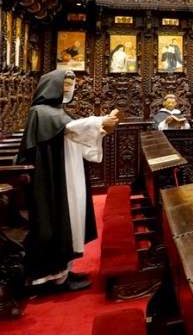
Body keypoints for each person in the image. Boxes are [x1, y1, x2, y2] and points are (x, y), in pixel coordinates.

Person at [16, 70, 119, 291]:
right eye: (66, 84)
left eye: (72, 85)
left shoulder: (59, 112)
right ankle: (50, 278)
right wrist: (100, 120)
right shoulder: (40, 112)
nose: (69, 89)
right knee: (56, 221)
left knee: (70, 218)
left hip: (68, 172)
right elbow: (71, 128)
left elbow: (74, 135)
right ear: (52, 86)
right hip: (52, 180)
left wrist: (101, 131)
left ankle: (63, 271)